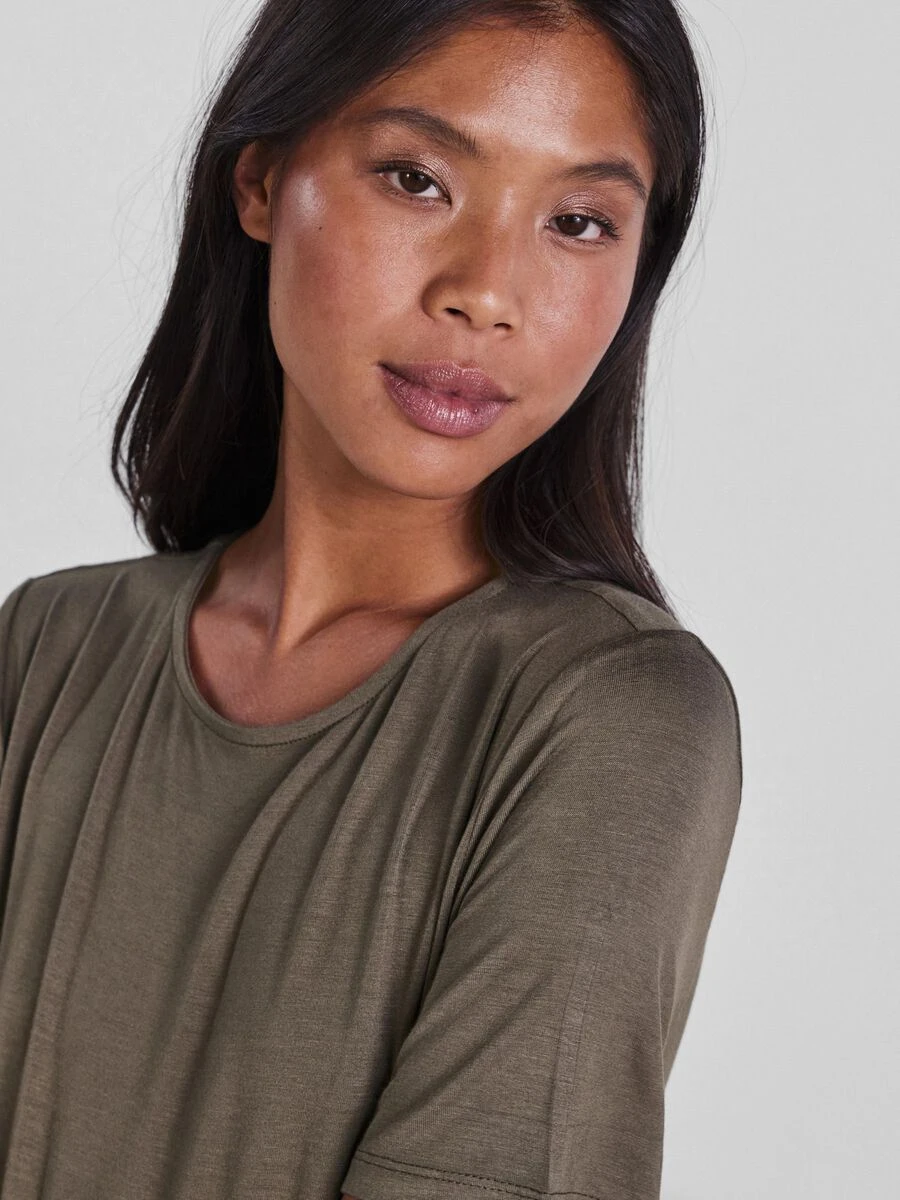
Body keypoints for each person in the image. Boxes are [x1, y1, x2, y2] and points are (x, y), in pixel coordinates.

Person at [0, 1, 743, 1197]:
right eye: (417, 179)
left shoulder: (607, 714)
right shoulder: (44, 650)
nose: (486, 292)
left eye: (577, 222)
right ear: (260, 180)